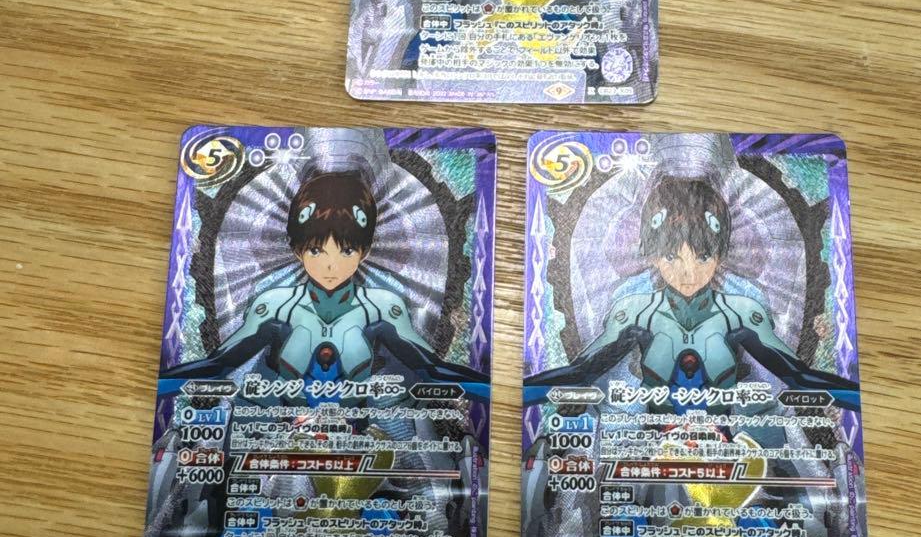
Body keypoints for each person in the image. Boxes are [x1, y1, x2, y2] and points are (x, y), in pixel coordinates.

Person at [524, 175, 860, 412]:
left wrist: (861, 398)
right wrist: (514, 395)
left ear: (720, 256)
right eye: (672, 257)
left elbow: (798, 376)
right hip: (651, 460)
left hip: (724, 457)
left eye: (702, 257)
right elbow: (581, 373)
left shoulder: (740, 314)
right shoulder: (637, 313)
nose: (688, 273)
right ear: (653, 257)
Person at [163, 169, 483, 392]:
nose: (331, 265)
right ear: (297, 250)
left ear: (365, 252)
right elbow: (219, 366)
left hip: (366, 436)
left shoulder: (382, 308)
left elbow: (431, 370)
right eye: (316, 250)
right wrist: (162, 384)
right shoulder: (275, 306)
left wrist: (491, 390)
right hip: (279, 436)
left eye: (346, 250)